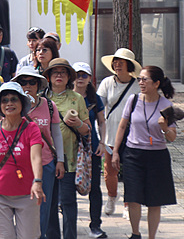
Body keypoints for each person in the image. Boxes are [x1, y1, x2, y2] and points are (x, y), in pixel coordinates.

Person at [112, 66, 177, 239]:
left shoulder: (167, 106)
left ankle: (151, 236)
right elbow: (122, 126)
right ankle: (135, 233)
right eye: (139, 79)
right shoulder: (133, 100)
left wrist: (164, 128)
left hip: (157, 156)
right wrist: (116, 151)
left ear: (156, 83)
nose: (140, 82)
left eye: (144, 79)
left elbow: (172, 137)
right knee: (133, 197)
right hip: (133, 154)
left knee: (155, 200)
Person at [0, 82, 45, 239]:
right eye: (4, 100)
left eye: (14, 99)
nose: (9, 104)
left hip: (28, 194)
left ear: (22, 103)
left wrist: (37, 181)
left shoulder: (32, 128)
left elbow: (36, 157)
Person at [12, 66, 64, 238]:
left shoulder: (49, 105)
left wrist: (60, 160)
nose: (27, 86)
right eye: (23, 82)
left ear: (38, 85)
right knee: (19, 205)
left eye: (32, 82)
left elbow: (56, 134)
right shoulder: (12, 106)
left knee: (43, 207)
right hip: (19, 165)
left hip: (45, 163)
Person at [43, 58, 90, 239]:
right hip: (46, 157)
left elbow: (87, 130)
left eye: (63, 72)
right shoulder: (42, 98)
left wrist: (78, 123)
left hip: (69, 157)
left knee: (68, 202)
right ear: (49, 76)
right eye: (55, 72)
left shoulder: (76, 98)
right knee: (49, 202)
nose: (59, 75)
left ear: (69, 76)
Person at [97, 48, 141, 219]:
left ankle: (128, 204)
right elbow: (100, 106)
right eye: (115, 62)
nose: (117, 65)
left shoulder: (137, 85)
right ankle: (111, 196)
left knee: (130, 172)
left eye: (121, 63)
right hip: (110, 134)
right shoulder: (107, 83)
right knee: (110, 170)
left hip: (132, 135)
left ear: (129, 65)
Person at [72, 62, 107, 239]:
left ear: (89, 78)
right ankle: (70, 226)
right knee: (68, 190)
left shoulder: (95, 99)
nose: (80, 78)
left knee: (94, 188)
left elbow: (101, 122)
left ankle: (95, 225)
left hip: (90, 147)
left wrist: (102, 143)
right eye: (77, 75)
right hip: (70, 148)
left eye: (83, 75)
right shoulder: (66, 96)